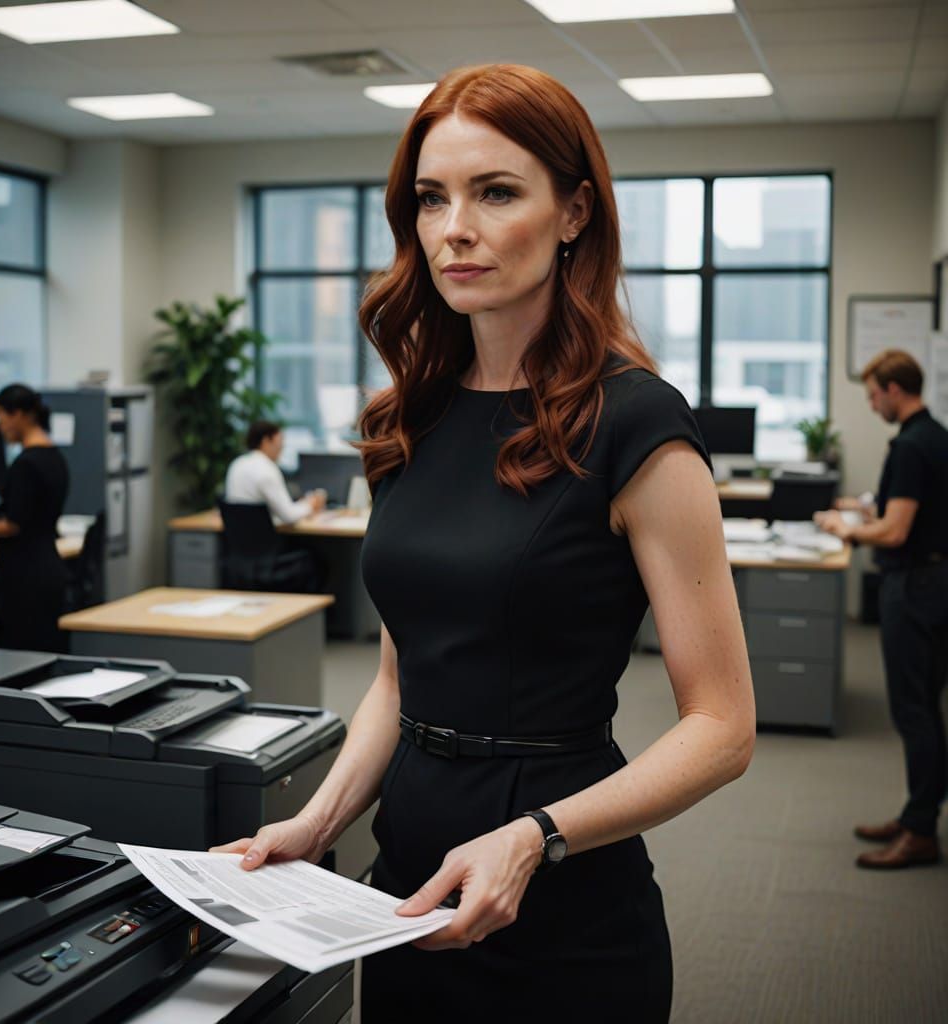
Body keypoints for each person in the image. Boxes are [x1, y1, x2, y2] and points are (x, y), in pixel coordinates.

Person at [211, 64, 755, 1021]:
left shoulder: (637, 423)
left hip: (560, 896)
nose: (454, 228)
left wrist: (535, 837)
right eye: (432, 198)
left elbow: (722, 727)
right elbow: (397, 681)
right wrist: (317, 821)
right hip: (405, 888)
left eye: (495, 192)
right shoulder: (408, 420)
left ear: (574, 212)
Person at [816, 349, 948, 870]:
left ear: (895, 389)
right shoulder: (933, 435)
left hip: (914, 589)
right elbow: (908, 508)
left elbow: (894, 531)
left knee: (914, 711)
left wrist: (844, 528)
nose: (872, 405)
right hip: (934, 583)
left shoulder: (911, 446)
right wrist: (860, 509)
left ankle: (920, 831)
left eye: (873, 394)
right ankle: (918, 813)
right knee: (926, 707)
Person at [0, 384, 70, 652]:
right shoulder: (54, 456)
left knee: (20, 652)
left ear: (19, 414)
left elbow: (12, 524)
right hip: (47, 566)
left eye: (1, 419)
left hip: (25, 575)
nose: (0, 428)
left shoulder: (26, 464)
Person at [224, 420, 326, 523]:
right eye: (280, 442)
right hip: (264, 532)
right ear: (266, 441)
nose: (282, 448)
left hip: (239, 531)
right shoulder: (266, 468)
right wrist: (311, 505)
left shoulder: (237, 464)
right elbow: (289, 516)